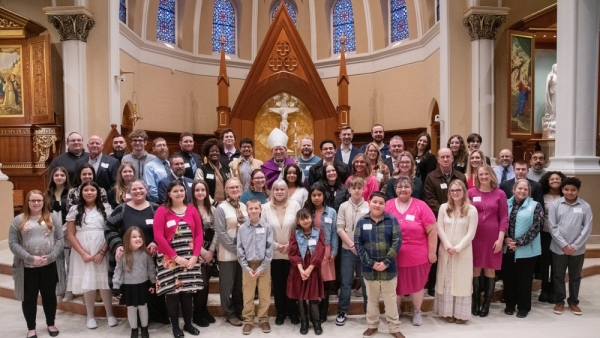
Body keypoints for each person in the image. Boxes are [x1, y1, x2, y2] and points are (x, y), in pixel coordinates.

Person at [104, 180, 168, 325]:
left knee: (154, 285)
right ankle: (138, 320)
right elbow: (108, 228)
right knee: (136, 289)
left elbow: (165, 229)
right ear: (129, 192)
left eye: (141, 188)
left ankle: (157, 314)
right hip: (130, 259)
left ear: (146, 190)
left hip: (154, 257)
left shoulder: (156, 208)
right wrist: (118, 244)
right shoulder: (121, 210)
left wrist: (156, 242)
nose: (138, 191)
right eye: (134, 189)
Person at [9, 190, 63, 338]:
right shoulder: (18, 220)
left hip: (49, 265)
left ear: (43, 201)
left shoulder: (52, 218)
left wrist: (51, 256)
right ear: (27, 202)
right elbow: (13, 243)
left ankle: (50, 324)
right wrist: (30, 258)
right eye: (33, 200)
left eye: (39, 200)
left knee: (49, 296)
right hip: (27, 267)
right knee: (29, 298)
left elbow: (60, 239)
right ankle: (31, 328)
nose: (36, 203)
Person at [153, 180, 203, 337]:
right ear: (169, 193)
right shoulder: (162, 210)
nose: (179, 193)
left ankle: (188, 324)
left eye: (181, 190)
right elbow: (158, 237)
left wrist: (195, 256)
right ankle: (175, 326)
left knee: (187, 293)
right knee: (173, 294)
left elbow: (199, 234)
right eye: (175, 191)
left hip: (190, 259)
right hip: (170, 259)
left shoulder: (192, 209)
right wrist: (175, 257)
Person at [385, 177, 437, 326]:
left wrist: (432, 252)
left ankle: (417, 311)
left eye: (406, 187)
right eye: (400, 187)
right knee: (396, 286)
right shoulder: (388, 205)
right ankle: (396, 310)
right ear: (395, 189)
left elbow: (433, 229)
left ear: (412, 189)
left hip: (417, 256)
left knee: (417, 285)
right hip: (393, 256)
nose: (403, 189)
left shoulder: (421, 206)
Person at [66, 181, 116, 329]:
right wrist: (82, 253)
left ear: (98, 192)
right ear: (81, 193)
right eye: (86, 190)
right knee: (88, 282)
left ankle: (110, 313)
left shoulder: (106, 208)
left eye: (92, 190)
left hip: (102, 247)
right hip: (83, 250)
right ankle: (90, 315)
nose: (89, 192)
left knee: (104, 282)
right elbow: (70, 234)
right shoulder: (75, 209)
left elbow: (111, 231)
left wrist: (102, 251)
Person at [355, 192, 404, 338]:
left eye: (381, 203)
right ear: (369, 203)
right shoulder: (362, 222)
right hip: (369, 269)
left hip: (388, 269)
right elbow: (358, 244)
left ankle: (394, 328)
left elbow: (397, 242)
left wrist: (386, 262)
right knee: (371, 300)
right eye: (374, 202)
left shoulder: (392, 220)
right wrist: (370, 263)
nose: (377, 205)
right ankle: (372, 325)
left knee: (390, 300)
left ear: (385, 205)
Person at [423, 148, 467, 296]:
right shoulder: (431, 177)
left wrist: (455, 212)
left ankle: (453, 285)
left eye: (448, 156)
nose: (446, 159)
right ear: (438, 160)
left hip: (458, 220)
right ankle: (433, 285)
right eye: (443, 157)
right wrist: (446, 211)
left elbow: (464, 196)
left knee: (454, 251)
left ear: (452, 159)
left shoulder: (460, 176)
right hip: (437, 221)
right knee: (436, 252)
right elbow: (430, 200)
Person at [434, 180, 478, 324]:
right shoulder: (443, 208)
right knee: (446, 281)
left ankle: (460, 314)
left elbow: (471, 234)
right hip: (446, 251)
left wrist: (457, 248)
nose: (455, 193)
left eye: (458, 190)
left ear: (464, 191)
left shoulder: (471, 210)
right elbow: (439, 228)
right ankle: (447, 312)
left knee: (461, 281)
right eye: (452, 191)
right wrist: (447, 246)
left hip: (462, 252)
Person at [468, 164, 508, 317]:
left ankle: (486, 304)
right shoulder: (471, 192)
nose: (483, 177)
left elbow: (504, 217)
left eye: (486, 174)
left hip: (493, 236)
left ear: (492, 175)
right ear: (476, 177)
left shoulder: (500, 193)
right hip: (475, 235)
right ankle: (475, 302)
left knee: (490, 269)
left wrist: (500, 239)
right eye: (480, 174)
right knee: (475, 268)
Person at [549, 177, 593, 316]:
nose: (569, 192)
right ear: (562, 189)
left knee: (575, 276)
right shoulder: (556, 205)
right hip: (558, 247)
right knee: (558, 275)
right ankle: (559, 301)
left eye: (573, 190)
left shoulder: (585, 206)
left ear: (578, 191)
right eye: (566, 189)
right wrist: (563, 245)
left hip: (577, 249)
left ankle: (573, 302)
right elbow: (552, 226)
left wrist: (574, 246)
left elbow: (587, 228)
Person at [261, 179, 301, 325]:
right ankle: (281, 312)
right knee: (278, 284)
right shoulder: (265, 208)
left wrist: (291, 244)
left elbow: (300, 227)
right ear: (272, 191)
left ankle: (293, 311)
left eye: (282, 189)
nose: (279, 192)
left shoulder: (295, 205)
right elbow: (263, 231)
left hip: (292, 251)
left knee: (292, 282)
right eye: (276, 189)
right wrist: (277, 245)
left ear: (286, 191)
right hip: (274, 252)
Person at [502, 179, 543, 318]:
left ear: (529, 191)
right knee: (508, 279)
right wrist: (505, 239)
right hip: (507, 248)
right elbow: (500, 222)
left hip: (527, 250)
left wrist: (518, 242)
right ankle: (509, 305)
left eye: (525, 189)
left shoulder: (535, 206)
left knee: (524, 280)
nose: (522, 191)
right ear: (514, 189)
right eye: (520, 188)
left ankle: (523, 307)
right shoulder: (505, 203)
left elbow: (536, 227)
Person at [335, 177, 369, 326]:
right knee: (346, 282)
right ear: (349, 190)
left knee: (366, 282)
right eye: (353, 187)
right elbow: (340, 228)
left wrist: (360, 246)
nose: (356, 190)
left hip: (365, 251)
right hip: (347, 250)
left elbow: (372, 228)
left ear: (363, 189)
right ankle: (342, 310)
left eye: (359, 187)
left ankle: (370, 312)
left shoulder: (368, 206)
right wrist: (351, 244)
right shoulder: (343, 206)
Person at [111, 227, 156, 338]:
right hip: (128, 287)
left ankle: (144, 329)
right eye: (134, 237)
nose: (138, 238)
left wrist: (152, 283)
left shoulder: (146, 253)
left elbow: (151, 269)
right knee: (131, 309)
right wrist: (116, 287)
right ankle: (134, 330)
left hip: (143, 286)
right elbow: (118, 272)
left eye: (140, 236)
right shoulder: (123, 255)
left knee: (143, 307)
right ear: (127, 239)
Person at [237, 199, 274, 335]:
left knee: (264, 294)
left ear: (260, 209)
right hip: (248, 265)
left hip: (264, 265)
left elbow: (269, 249)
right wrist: (246, 267)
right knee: (248, 295)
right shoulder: (242, 228)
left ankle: (263, 319)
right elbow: (240, 249)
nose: (253, 211)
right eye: (250, 209)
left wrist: (261, 268)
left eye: (256, 208)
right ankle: (248, 320)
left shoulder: (267, 227)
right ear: (246, 210)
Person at [287, 208, 326, 335]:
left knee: (313, 297)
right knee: (301, 297)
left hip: (312, 270)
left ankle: (316, 322)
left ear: (312, 218)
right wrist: (301, 269)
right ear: (298, 221)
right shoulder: (295, 234)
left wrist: (309, 269)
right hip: (299, 270)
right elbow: (293, 253)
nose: (305, 221)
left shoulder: (319, 232)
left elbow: (320, 251)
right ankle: (304, 321)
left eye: (307, 217)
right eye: (302, 218)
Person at [214, 178, 248, 326]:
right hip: (228, 253)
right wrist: (235, 249)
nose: (234, 189)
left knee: (239, 285)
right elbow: (221, 233)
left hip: (243, 253)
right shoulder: (221, 208)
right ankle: (229, 313)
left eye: (237, 187)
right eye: (231, 187)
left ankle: (239, 310)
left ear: (241, 188)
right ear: (226, 190)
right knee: (227, 285)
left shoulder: (244, 206)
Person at [303, 183, 338, 323]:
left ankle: (322, 314)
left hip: (326, 250)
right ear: (310, 196)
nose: (317, 198)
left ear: (324, 196)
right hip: (309, 250)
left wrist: (334, 252)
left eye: (319, 195)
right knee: (312, 282)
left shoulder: (331, 212)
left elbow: (335, 233)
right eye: (314, 195)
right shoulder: (306, 212)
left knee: (325, 283)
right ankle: (312, 314)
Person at [190, 180, 218, 327]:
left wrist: (211, 250)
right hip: (195, 251)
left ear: (207, 192)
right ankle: (197, 314)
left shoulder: (212, 210)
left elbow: (217, 231)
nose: (200, 193)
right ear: (193, 192)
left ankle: (203, 309)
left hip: (210, 251)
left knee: (206, 284)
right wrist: (202, 252)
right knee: (201, 283)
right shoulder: (189, 209)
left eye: (203, 190)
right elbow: (189, 234)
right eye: (197, 190)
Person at [538, 171, 566, 304]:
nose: (554, 181)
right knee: (544, 262)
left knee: (557, 263)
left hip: (560, 236)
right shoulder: (542, 196)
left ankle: (554, 290)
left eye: (557, 179)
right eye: (551, 179)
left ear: (562, 180)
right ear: (547, 181)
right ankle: (544, 289)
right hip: (545, 233)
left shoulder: (566, 196)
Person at [44, 166, 70, 302]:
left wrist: (65, 229)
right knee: (58, 262)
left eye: (62, 175)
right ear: (52, 178)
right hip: (52, 233)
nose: (59, 177)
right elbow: (44, 214)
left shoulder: (71, 193)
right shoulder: (47, 194)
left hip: (68, 232)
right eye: (57, 175)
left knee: (70, 262)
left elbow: (74, 213)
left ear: (66, 177)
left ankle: (70, 290)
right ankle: (60, 290)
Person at [195, 138, 231, 202]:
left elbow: (231, 185)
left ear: (220, 153)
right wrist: (213, 203)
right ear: (207, 154)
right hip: (209, 205)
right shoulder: (202, 169)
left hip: (226, 203)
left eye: (217, 151)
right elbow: (200, 189)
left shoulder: (227, 168)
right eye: (211, 151)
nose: (215, 153)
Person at [143, 137, 171, 203]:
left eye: (164, 145)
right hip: (160, 203)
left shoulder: (171, 164)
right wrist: (166, 201)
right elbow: (151, 190)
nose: (162, 148)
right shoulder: (149, 166)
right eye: (159, 145)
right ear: (153, 149)